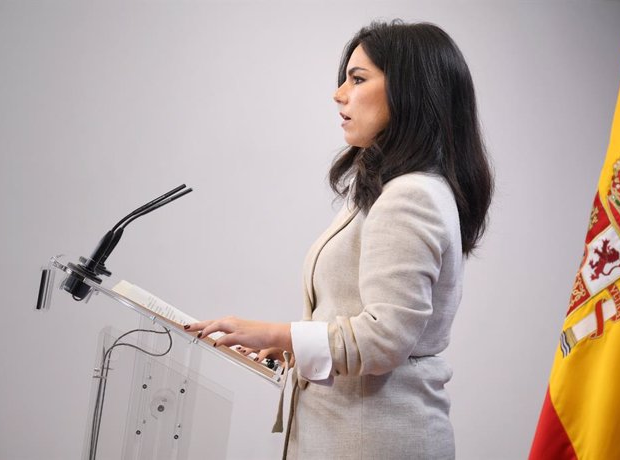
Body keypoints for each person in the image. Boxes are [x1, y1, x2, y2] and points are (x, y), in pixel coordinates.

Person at [186, 20, 493, 459]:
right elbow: (359, 319)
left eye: (359, 79)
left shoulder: (410, 197)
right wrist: (292, 347)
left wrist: (274, 332)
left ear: (409, 90)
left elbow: (384, 339)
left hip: (375, 443)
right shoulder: (396, 189)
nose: (339, 93)